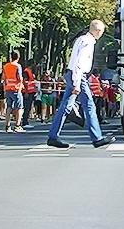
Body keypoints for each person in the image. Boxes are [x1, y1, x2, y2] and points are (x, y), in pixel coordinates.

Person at [46, 20, 116, 149]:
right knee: (89, 106)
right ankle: (97, 138)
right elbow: (79, 63)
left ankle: (53, 136)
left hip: (72, 74)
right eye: (102, 31)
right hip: (78, 75)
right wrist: (77, 83)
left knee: (65, 106)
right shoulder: (88, 42)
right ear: (98, 31)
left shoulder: (81, 39)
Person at [2, 51, 25, 133]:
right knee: (19, 108)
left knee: (9, 107)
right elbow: (19, 78)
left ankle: (7, 126)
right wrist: (21, 85)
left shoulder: (6, 66)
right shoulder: (17, 66)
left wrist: (5, 88)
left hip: (8, 88)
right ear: (18, 57)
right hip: (16, 89)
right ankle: (17, 126)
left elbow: (4, 78)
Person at [20, 62, 38, 127]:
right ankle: (24, 122)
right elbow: (24, 82)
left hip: (31, 92)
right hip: (27, 92)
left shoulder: (30, 72)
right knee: (26, 107)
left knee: (29, 107)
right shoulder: (26, 72)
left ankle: (25, 121)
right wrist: (26, 92)